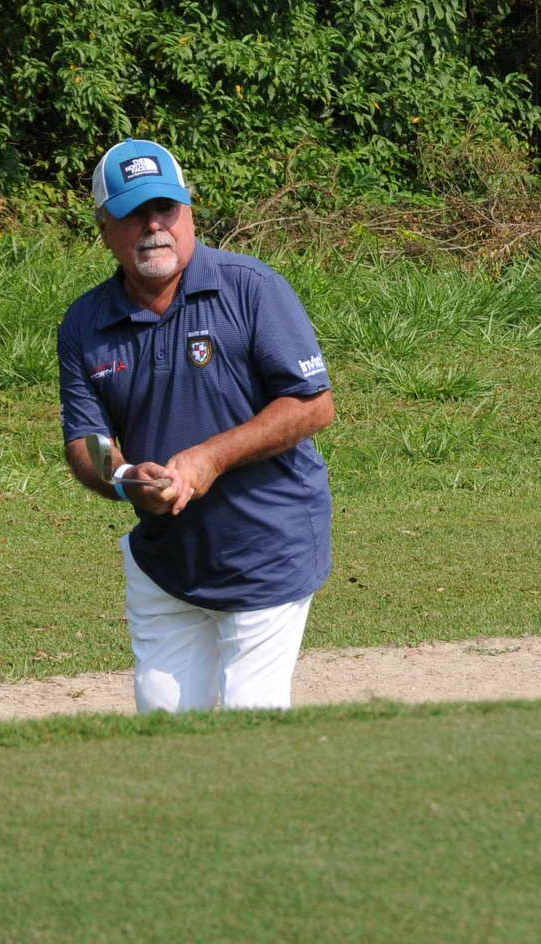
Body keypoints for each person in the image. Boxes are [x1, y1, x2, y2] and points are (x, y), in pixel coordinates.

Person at [57, 138, 336, 713]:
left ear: (188, 213)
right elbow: (88, 440)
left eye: (166, 208)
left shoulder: (250, 287)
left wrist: (211, 457)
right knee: (165, 726)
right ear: (104, 228)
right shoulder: (84, 322)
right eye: (134, 214)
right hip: (166, 562)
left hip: (266, 547)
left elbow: (312, 405)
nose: (153, 226)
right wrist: (126, 479)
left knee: (248, 722)